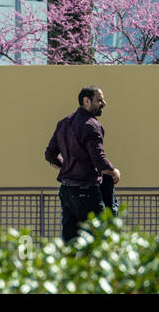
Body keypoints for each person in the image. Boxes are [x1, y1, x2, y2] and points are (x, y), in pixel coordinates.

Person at [44, 85, 121, 242]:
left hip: (66, 190)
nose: (104, 103)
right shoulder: (92, 125)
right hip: (87, 192)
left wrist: (67, 167)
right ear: (86, 101)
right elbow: (99, 160)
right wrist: (114, 172)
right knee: (98, 241)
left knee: (70, 242)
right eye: (99, 100)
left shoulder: (63, 123)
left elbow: (50, 154)